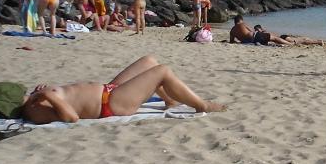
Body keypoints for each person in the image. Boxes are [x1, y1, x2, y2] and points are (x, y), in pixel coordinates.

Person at [22, 55, 225, 124]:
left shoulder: (33, 100)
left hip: (109, 91)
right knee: (162, 71)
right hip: (111, 104)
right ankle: (201, 105)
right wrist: (48, 94)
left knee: (149, 61)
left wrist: (42, 92)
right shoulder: (34, 110)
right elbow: (71, 117)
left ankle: (170, 100)